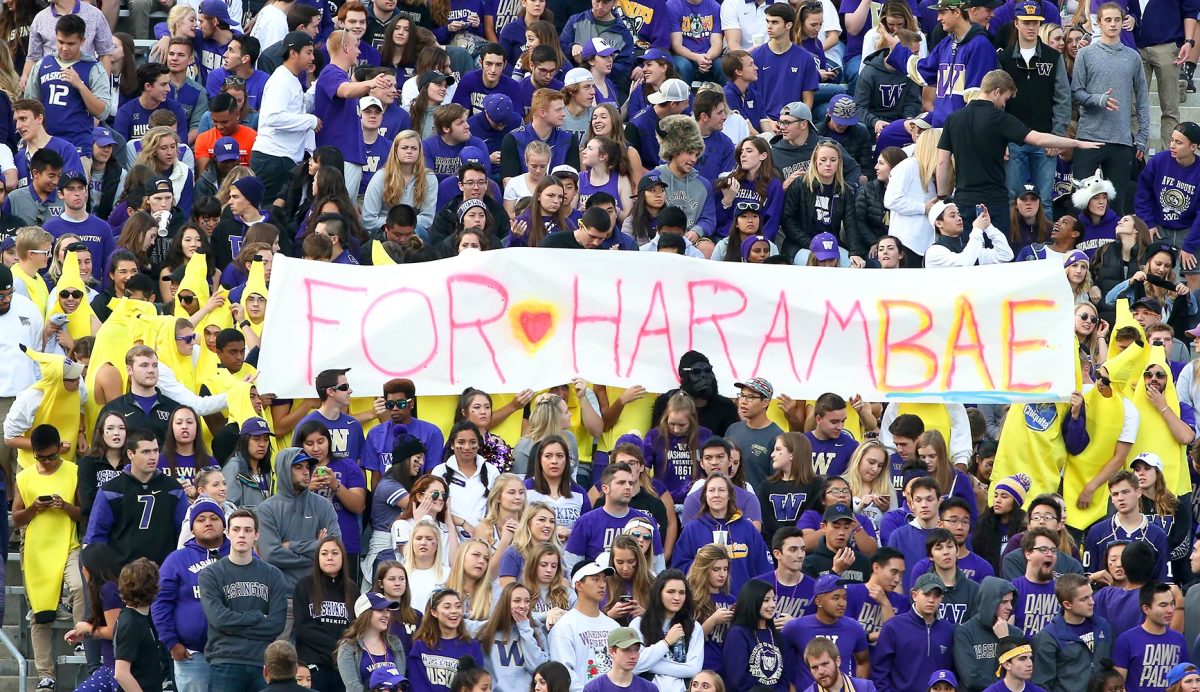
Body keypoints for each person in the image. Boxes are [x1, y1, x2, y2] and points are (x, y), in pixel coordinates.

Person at [936, 69, 1098, 234]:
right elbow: (1038, 140)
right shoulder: (999, 119)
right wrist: (1076, 142)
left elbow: (942, 162)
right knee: (999, 256)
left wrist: (943, 197)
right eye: (1005, 99)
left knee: (967, 256)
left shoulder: (953, 119)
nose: (1004, 105)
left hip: (964, 201)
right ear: (997, 92)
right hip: (994, 202)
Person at [12, 424, 83, 692]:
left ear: (60, 450)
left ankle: (80, 637)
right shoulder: (26, 476)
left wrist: (65, 506)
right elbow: (17, 517)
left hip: (68, 543)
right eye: (40, 457)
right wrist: (34, 508)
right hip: (37, 549)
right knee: (39, 613)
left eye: (51, 456)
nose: (46, 462)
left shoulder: (74, 471)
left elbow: (83, 513)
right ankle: (46, 673)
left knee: (78, 585)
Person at [199, 508, 290, 692]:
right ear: (227, 533)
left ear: (256, 535)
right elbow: (219, 619)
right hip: (225, 662)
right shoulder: (211, 574)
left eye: (248, 530)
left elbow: (276, 624)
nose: (242, 535)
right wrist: (257, 617)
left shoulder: (273, 575)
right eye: (236, 529)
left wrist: (234, 627)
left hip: (262, 663)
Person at [1071, 2, 1150, 213]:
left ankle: (1113, 245)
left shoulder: (1133, 56)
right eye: (1108, 20)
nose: (1113, 24)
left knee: (1116, 204)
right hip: (1089, 137)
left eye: (1117, 19)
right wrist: (1099, 100)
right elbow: (1076, 92)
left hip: (1121, 139)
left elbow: (1143, 97)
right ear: (1098, 23)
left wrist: (1142, 135)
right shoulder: (1085, 54)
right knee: (1081, 201)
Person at [152, 497, 230, 692]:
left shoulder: (240, 553)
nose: (208, 523)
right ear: (192, 528)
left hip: (234, 655)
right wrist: (171, 643)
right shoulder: (177, 559)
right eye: (201, 519)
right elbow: (160, 604)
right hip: (191, 654)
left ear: (224, 525)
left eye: (214, 518)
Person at [85, 428, 189, 567]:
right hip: (121, 575)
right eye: (145, 452)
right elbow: (96, 538)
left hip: (164, 572)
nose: (153, 457)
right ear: (130, 454)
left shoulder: (173, 488)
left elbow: (185, 534)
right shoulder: (111, 490)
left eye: (156, 451)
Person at [257, 447, 343, 591]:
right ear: (284, 471)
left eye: (307, 467)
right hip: (283, 596)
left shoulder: (324, 505)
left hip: (320, 593)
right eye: (298, 467)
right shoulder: (266, 509)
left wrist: (291, 546)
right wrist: (317, 549)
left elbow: (336, 546)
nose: (305, 472)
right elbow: (271, 555)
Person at [251, 32, 318, 202]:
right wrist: (310, 120)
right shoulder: (280, 80)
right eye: (308, 52)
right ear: (293, 53)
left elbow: (296, 109)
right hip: (272, 159)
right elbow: (274, 117)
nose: (312, 57)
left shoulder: (291, 79)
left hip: (282, 158)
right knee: (269, 214)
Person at [781, 574, 870, 690]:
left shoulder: (854, 628)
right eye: (836, 598)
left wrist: (858, 687)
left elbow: (863, 661)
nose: (842, 603)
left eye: (844, 597)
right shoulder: (795, 628)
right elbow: (781, 662)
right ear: (818, 601)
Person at [871, 573, 955, 692]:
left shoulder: (948, 630)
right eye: (926, 594)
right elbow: (880, 671)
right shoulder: (893, 627)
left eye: (936, 595)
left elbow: (953, 672)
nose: (931, 600)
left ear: (941, 598)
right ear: (914, 595)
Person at [1031, 573, 1114, 692]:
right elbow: (1043, 685)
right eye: (1084, 599)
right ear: (1067, 604)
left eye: (1091, 596)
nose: (1092, 602)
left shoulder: (1102, 626)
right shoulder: (1048, 637)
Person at [1083, 469, 1169, 580]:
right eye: (1115, 494)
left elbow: (1164, 581)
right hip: (1106, 595)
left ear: (1138, 492)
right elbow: (1086, 578)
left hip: (1144, 596)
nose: (1120, 498)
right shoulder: (1097, 532)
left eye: (1125, 492)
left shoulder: (1157, 534)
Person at [548, 561, 620, 692]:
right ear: (579, 585)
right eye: (595, 579)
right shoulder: (564, 626)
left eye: (604, 579)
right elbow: (564, 672)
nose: (602, 584)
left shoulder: (614, 626)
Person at [1113, 582, 1187, 692]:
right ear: (1146, 609)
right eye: (1163, 605)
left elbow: (1185, 680)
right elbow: (1117, 685)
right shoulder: (1127, 640)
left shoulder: (1179, 639)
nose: (1170, 610)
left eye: (1172, 604)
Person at [722, 579, 786, 692]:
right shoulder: (738, 633)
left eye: (774, 600)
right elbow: (737, 679)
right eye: (766, 600)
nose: (772, 605)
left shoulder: (777, 635)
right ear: (752, 601)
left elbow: (784, 678)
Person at [337, 591, 408, 692]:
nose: (386, 614)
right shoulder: (348, 647)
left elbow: (399, 683)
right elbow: (353, 688)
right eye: (380, 610)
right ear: (365, 613)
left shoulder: (395, 643)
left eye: (387, 610)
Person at [802, 636, 875, 692]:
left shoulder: (866, 688)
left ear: (837, 661)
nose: (820, 671)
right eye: (814, 667)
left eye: (825, 664)